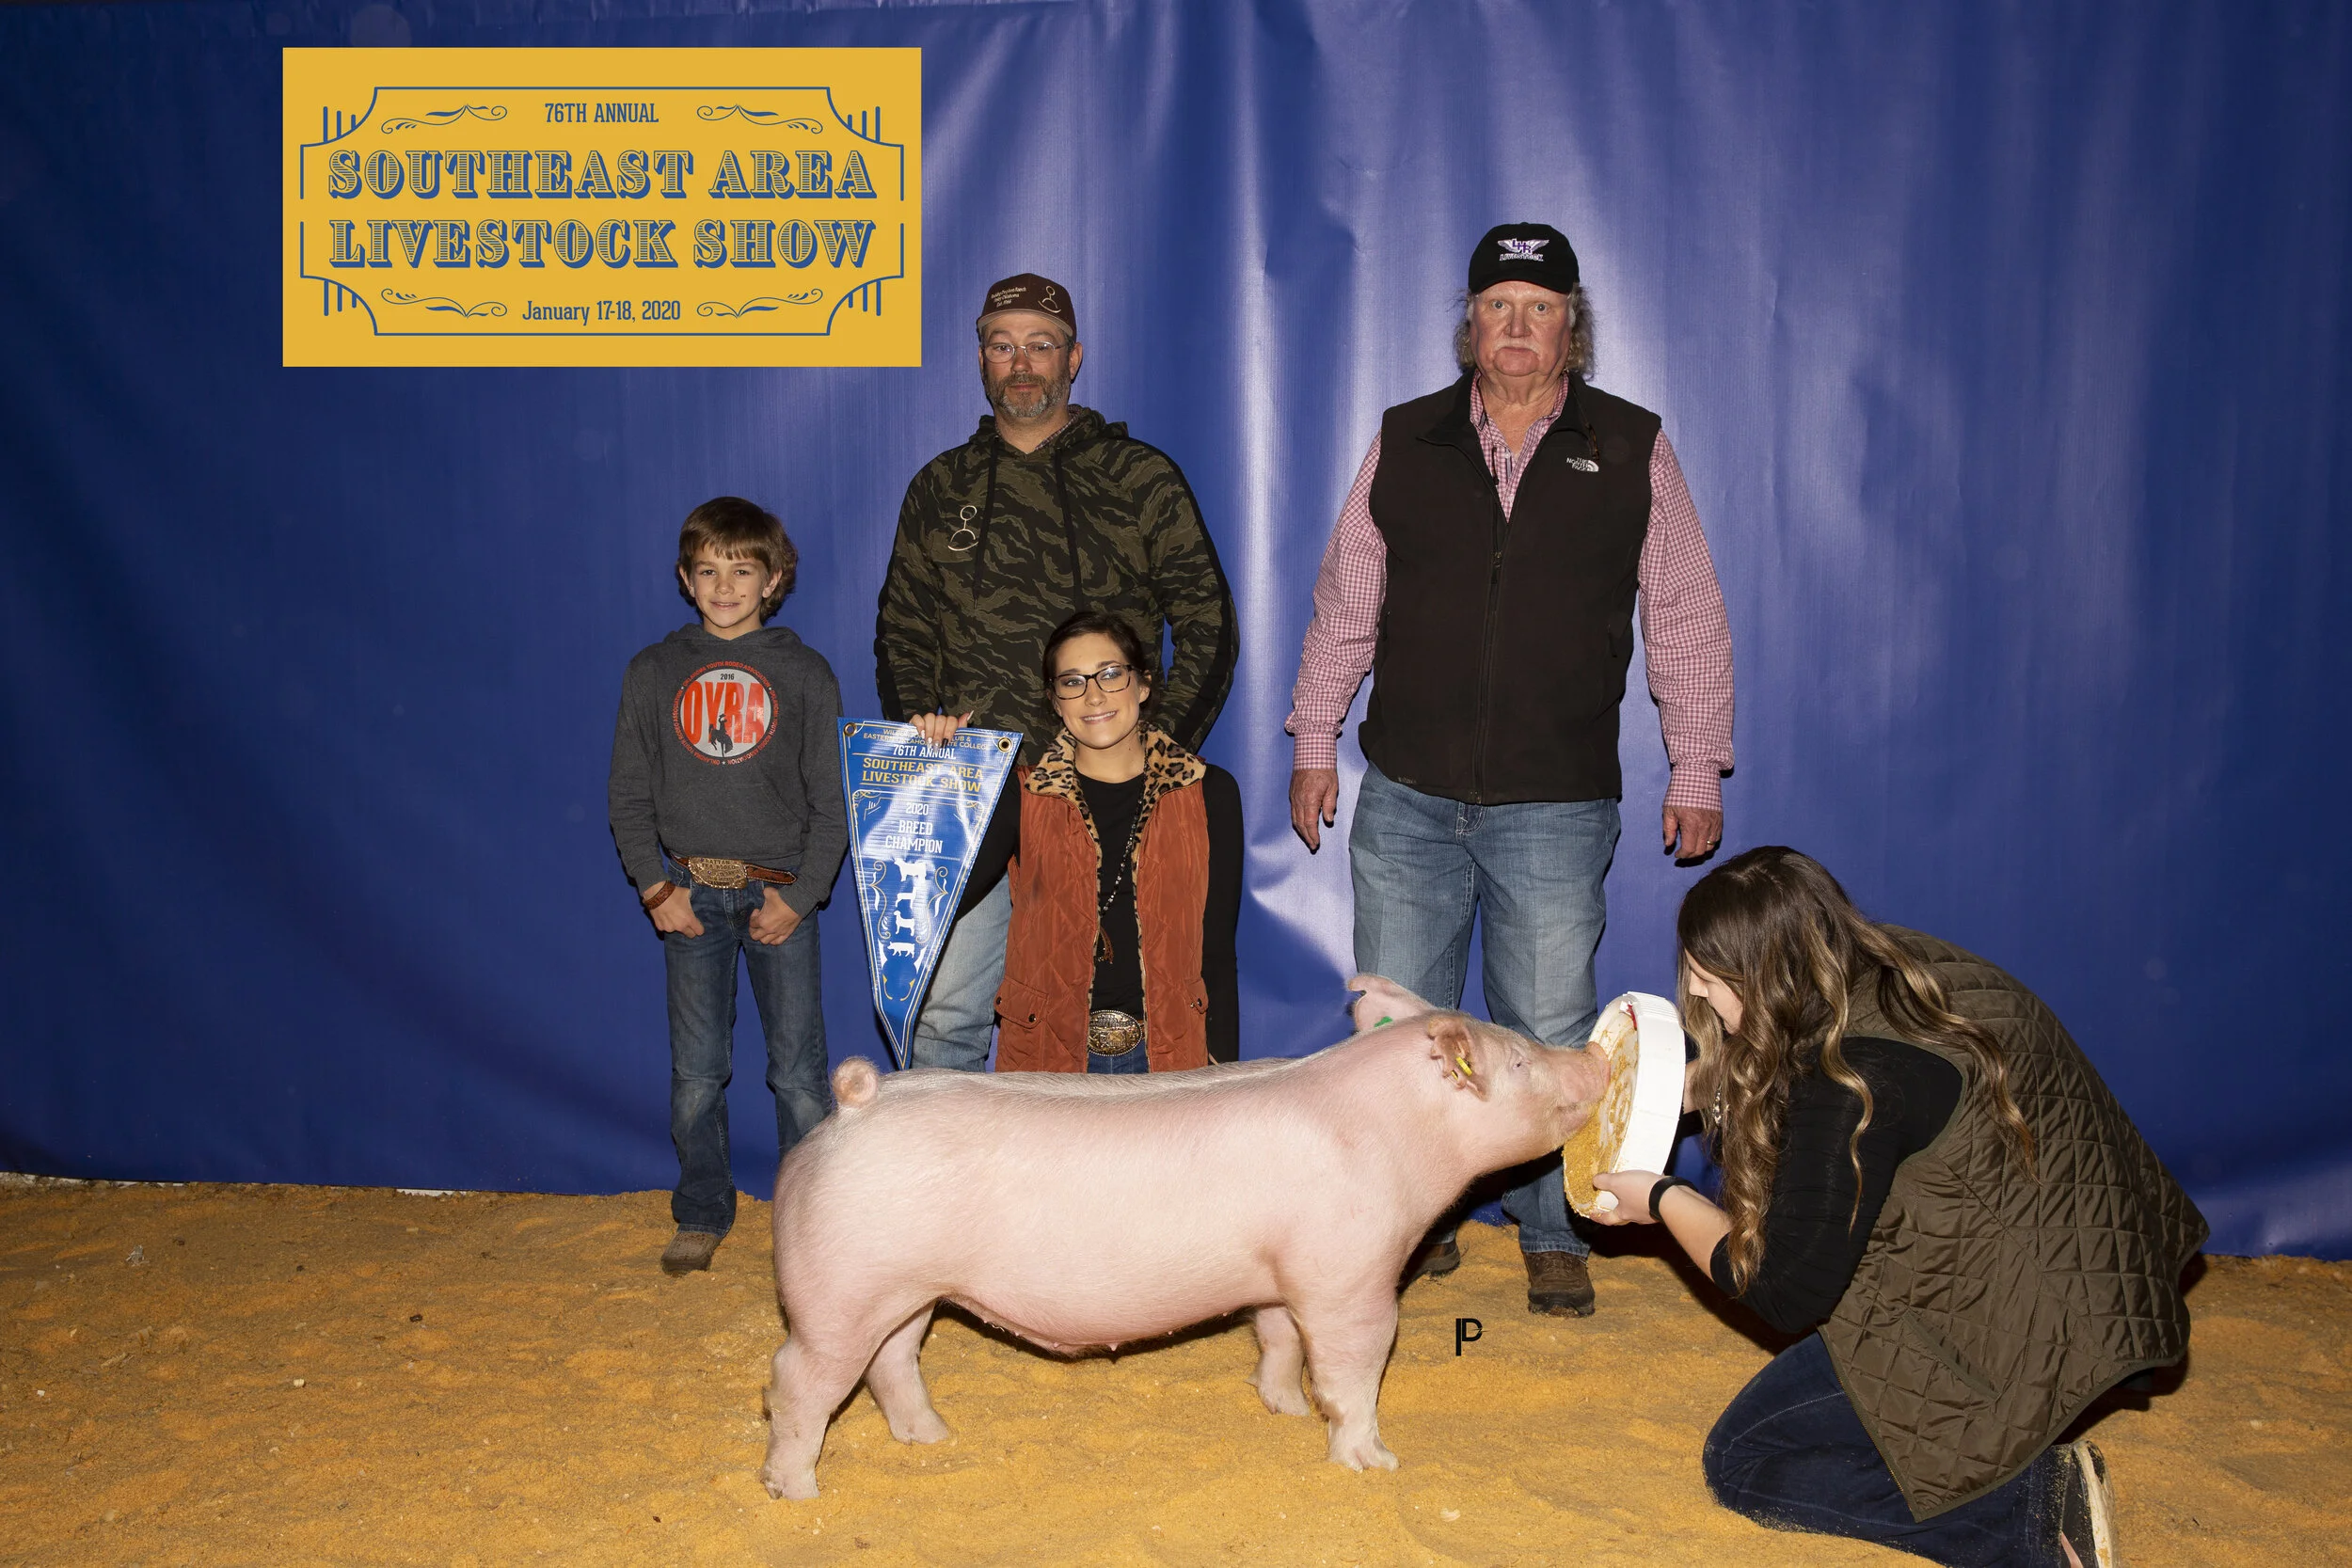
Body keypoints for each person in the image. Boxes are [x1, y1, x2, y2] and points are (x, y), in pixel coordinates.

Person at [1286, 223, 1735, 1317]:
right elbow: (1348, 597)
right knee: (1400, 1028)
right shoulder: (1408, 438)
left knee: (1545, 1023)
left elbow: (1682, 613)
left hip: (1555, 796)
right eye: (1498, 306)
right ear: (1469, 324)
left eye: (1540, 308)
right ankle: (1412, 1220)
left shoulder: (1631, 446)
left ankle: (1554, 1229)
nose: (1518, 327)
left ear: (1571, 326)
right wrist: (1311, 736)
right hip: (1406, 787)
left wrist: (1698, 763)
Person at [1589, 847, 2205, 1567]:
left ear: (1770, 976)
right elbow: (1773, 1056)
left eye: (1712, 976)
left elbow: (1784, 1286)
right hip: (2098, 1258)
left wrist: (1664, 1198)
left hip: (2018, 1324)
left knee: (1747, 1459)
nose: (1694, 987)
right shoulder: (1886, 966)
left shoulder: (1852, 1081)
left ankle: (2033, 1519)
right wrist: (1668, 1092)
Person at [876, 273, 1236, 1072]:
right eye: (1003, 346)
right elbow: (903, 632)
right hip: (976, 798)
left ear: (1074, 357)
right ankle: (950, 1201)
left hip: (1108, 797)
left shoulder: (1141, 477)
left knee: (1110, 1023)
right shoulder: (940, 488)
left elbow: (1208, 622)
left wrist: (1158, 758)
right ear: (980, 361)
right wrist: (924, 739)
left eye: (1040, 345)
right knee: (947, 1022)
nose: (1022, 364)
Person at [608, 498, 847, 1275]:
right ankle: (702, 1208)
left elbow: (830, 804)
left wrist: (802, 894)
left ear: (773, 580)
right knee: (696, 1072)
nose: (724, 584)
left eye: (742, 569)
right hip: (689, 897)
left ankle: (812, 1222)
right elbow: (627, 796)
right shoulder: (653, 671)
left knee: (800, 1075)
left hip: (780, 893)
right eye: (707, 570)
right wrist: (655, 889)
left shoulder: (806, 674)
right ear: (684, 578)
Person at [963, 610, 1243, 1072]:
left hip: (1170, 1060)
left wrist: (1223, 1067)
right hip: (1047, 1062)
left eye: (1111, 675)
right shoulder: (1022, 794)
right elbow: (950, 891)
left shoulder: (1209, 791)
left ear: (1144, 684)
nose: (1093, 695)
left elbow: (1216, 946)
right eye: (1073, 682)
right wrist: (940, 763)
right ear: (1055, 701)